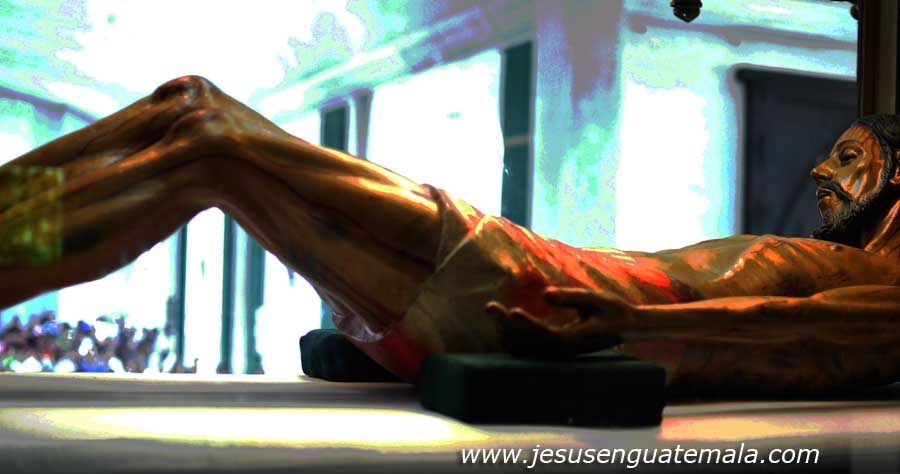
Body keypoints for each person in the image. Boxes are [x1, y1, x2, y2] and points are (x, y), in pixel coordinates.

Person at [1, 76, 899, 393]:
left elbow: (784, 320)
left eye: (851, 157)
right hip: (523, 286)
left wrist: (624, 325)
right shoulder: (852, 265)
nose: (823, 173)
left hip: (522, 297)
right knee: (190, 112)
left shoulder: (890, 293)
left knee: (208, 144)